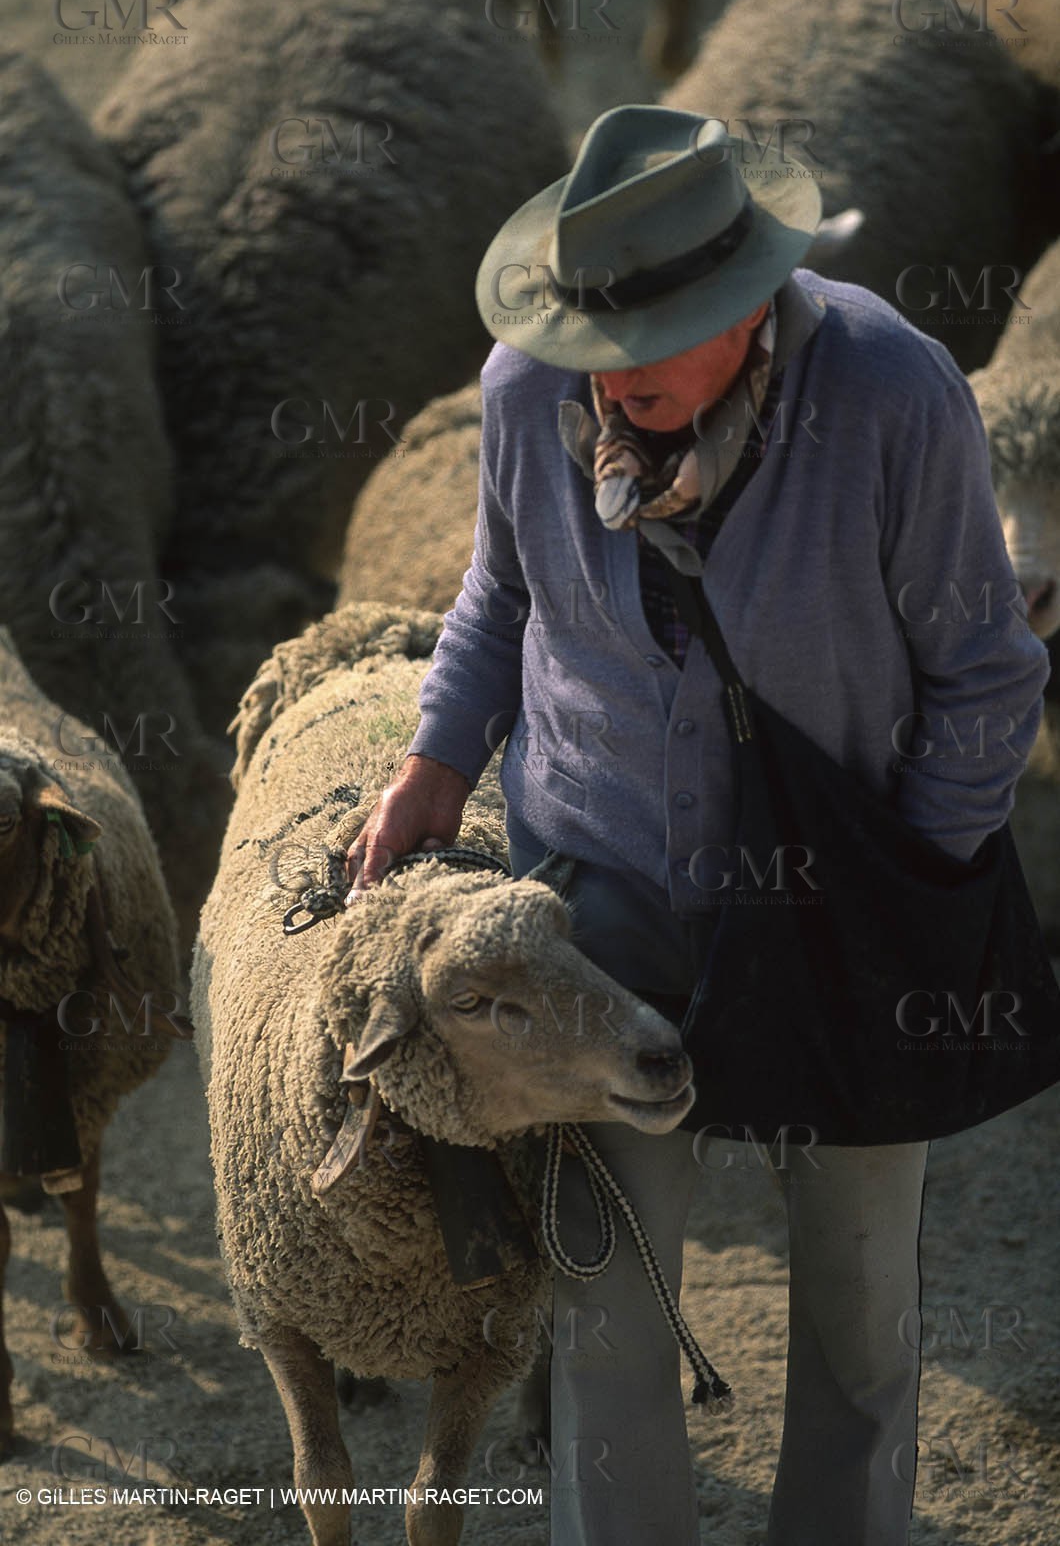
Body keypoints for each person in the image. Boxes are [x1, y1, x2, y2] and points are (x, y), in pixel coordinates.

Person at [345, 106, 1049, 1545]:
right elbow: (503, 596)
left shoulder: (892, 394)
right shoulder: (527, 387)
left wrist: (917, 878)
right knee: (608, 1307)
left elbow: (988, 673)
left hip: (842, 901)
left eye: (661, 335)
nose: (617, 375)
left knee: (859, 1307)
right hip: (601, 903)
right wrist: (434, 758)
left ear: (752, 306)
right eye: (600, 334)